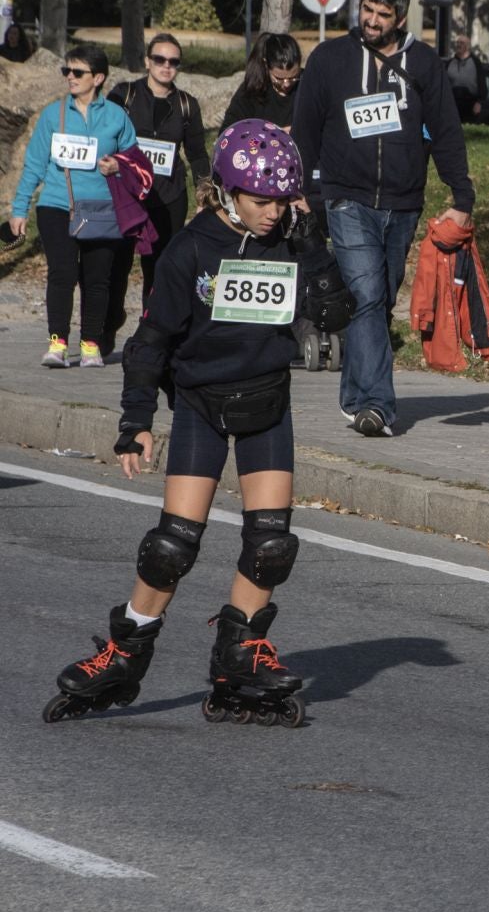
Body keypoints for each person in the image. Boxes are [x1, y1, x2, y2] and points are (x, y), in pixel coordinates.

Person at [42, 120, 355, 727]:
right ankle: (124, 650)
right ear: (227, 192)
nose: (272, 213)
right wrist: (136, 420)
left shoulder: (291, 239)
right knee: (171, 547)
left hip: (266, 401)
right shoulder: (191, 250)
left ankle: (239, 656)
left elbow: (337, 314)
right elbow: (150, 341)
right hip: (200, 407)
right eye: (261, 201)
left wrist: (313, 244)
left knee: (271, 546)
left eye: (281, 200)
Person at [291, 0, 474, 438]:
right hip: (345, 198)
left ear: (400, 17)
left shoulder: (425, 64)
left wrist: (462, 195)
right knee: (368, 295)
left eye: (382, 14)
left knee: (378, 299)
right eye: (366, 10)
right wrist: (300, 191)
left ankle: (354, 396)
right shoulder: (330, 59)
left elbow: (447, 132)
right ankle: (378, 405)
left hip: (403, 202)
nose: (371, 21)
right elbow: (306, 130)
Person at [8, 44, 136, 368]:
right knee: (62, 274)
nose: (70, 77)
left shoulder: (117, 117)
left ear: (98, 78)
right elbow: (34, 163)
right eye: (67, 71)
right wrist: (20, 208)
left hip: (101, 208)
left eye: (78, 72)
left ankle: (91, 343)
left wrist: (118, 165)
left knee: (97, 279)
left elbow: (135, 162)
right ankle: (58, 343)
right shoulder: (54, 114)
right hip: (56, 204)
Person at [109, 33, 211, 303]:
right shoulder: (124, 94)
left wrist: (204, 193)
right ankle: (111, 319)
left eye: (173, 61)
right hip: (127, 194)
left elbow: (197, 153)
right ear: (147, 61)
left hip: (168, 196)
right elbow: (103, 136)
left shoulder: (187, 105)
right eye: (159, 59)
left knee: (159, 266)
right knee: (117, 263)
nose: (166, 66)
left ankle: (150, 327)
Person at [220, 33, 303, 132]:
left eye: (293, 77)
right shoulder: (252, 90)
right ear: (266, 65)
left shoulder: (308, 85)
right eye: (279, 78)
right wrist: (273, 134)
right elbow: (228, 131)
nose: (286, 84)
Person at [444, 34, 484, 122]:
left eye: (461, 43)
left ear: (468, 46)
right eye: (457, 42)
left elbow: (482, 84)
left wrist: (479, 102)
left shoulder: (475, 63)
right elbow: (444, 84)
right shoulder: (450, 63)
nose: (458, 45)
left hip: (470, 104)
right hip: (453, 104)